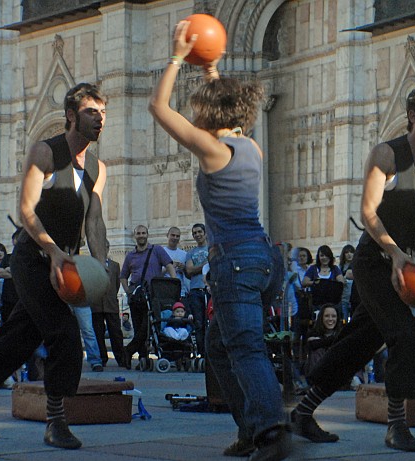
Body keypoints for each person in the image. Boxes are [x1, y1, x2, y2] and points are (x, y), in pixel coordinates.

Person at [148, 21, 289, 460]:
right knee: (219, 347)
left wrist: (177, 56)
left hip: (235, 262)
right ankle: (250, 428)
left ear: (209, 113)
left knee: (245, 349)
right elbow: (223, 106)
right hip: (264, 259)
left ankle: (271, 433)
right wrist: (210, 68)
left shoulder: (213, 150)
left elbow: (158, 107)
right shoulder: (250, 146)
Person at [0, 82, 108, 449]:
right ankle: (56, 423)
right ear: (70, 116)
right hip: (33, 260)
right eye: (91, 112)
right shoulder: (45, 153)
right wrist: (52, 252)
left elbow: (94, 222)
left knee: (18, 341)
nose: (99, 119)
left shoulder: (98, 167)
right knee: (64, 333)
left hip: (65, 267)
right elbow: (26, 210)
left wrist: (100, 266)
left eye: (102, 113)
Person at [291, 84, 415, 453]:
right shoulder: (387, 154)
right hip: (374, 261)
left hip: (406, 268)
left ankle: (303, 411)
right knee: (406, 336)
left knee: (361, 342)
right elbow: (367, 212)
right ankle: (397, 426)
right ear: (412, 117)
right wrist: (395, 253)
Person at [120, 224, 176, 368]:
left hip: (153, 295)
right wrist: (127, 290)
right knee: (139, 328)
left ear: (147, 235)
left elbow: (169, 265)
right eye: (138, 233)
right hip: (136, 296)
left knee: (148, 326)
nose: (141, 235)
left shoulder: (156, 250)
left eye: (143, 233)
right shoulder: (130, 255)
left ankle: (128, 350)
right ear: (135, 236)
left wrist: (173, 281)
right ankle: (142, 360)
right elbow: (123, 276)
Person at [91, 240, 126, 369]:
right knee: (98, 333)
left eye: (104, 247)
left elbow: (117, 284)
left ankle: (121, 358)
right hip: (96, 304)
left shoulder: (115, 265)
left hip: (111, 303)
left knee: (115, 332)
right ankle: (101, 358)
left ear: (108, 248)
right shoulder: (92, 264)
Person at [184, 223, 209, 356]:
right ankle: (201, 353)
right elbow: (189, 270)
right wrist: (206, 264)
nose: (197, 235)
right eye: (194, 233)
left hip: (210, 291)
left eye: (199, 232)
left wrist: (196, 268)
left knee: (211, 323)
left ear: (205, 233)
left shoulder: (212, 249)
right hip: (195, 291)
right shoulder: (190, 253)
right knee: (199, 324)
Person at [302, 304, 342, 378]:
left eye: (333, 316)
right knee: (317, 352)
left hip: (338, 370)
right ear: (321, 318)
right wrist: (333, 340)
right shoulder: (313, 333)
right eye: (327, 316)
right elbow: (312, 345)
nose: (330, 319)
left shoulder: (341, 332)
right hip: (319, 371)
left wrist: (320, 341)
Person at [164, 226, 189, 297]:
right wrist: (170, 267)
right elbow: (157, 272)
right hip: (165, 291)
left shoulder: (184, 254)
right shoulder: (161, 252)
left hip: (181, 292)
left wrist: (183, 268)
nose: (175, 238)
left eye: (177, 236)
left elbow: (188, 275)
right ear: (167, 235)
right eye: (173, 235)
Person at [338, 245, 355, 322]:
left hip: (354, 298)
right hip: (343, 298)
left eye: (351, 252)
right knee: (343, 321)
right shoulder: (340, 267)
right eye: (347, 252)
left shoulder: (357, 265)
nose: (349, 254)